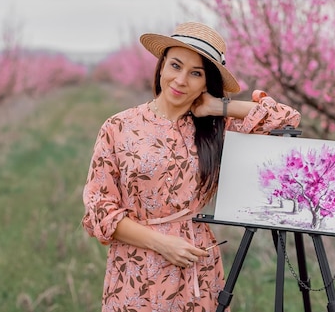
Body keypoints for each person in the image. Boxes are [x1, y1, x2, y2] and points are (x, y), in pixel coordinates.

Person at [82, 21, 301, 311]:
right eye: (175, 66)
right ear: (161, 67)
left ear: (205, 83)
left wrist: (217, 107)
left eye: (195, 73)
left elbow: (286, 119)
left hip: (196, 266)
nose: (181, 80)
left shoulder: (216, 128)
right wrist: (162, 244)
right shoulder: (119, 126)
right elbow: (99, 210)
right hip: (134, 267)